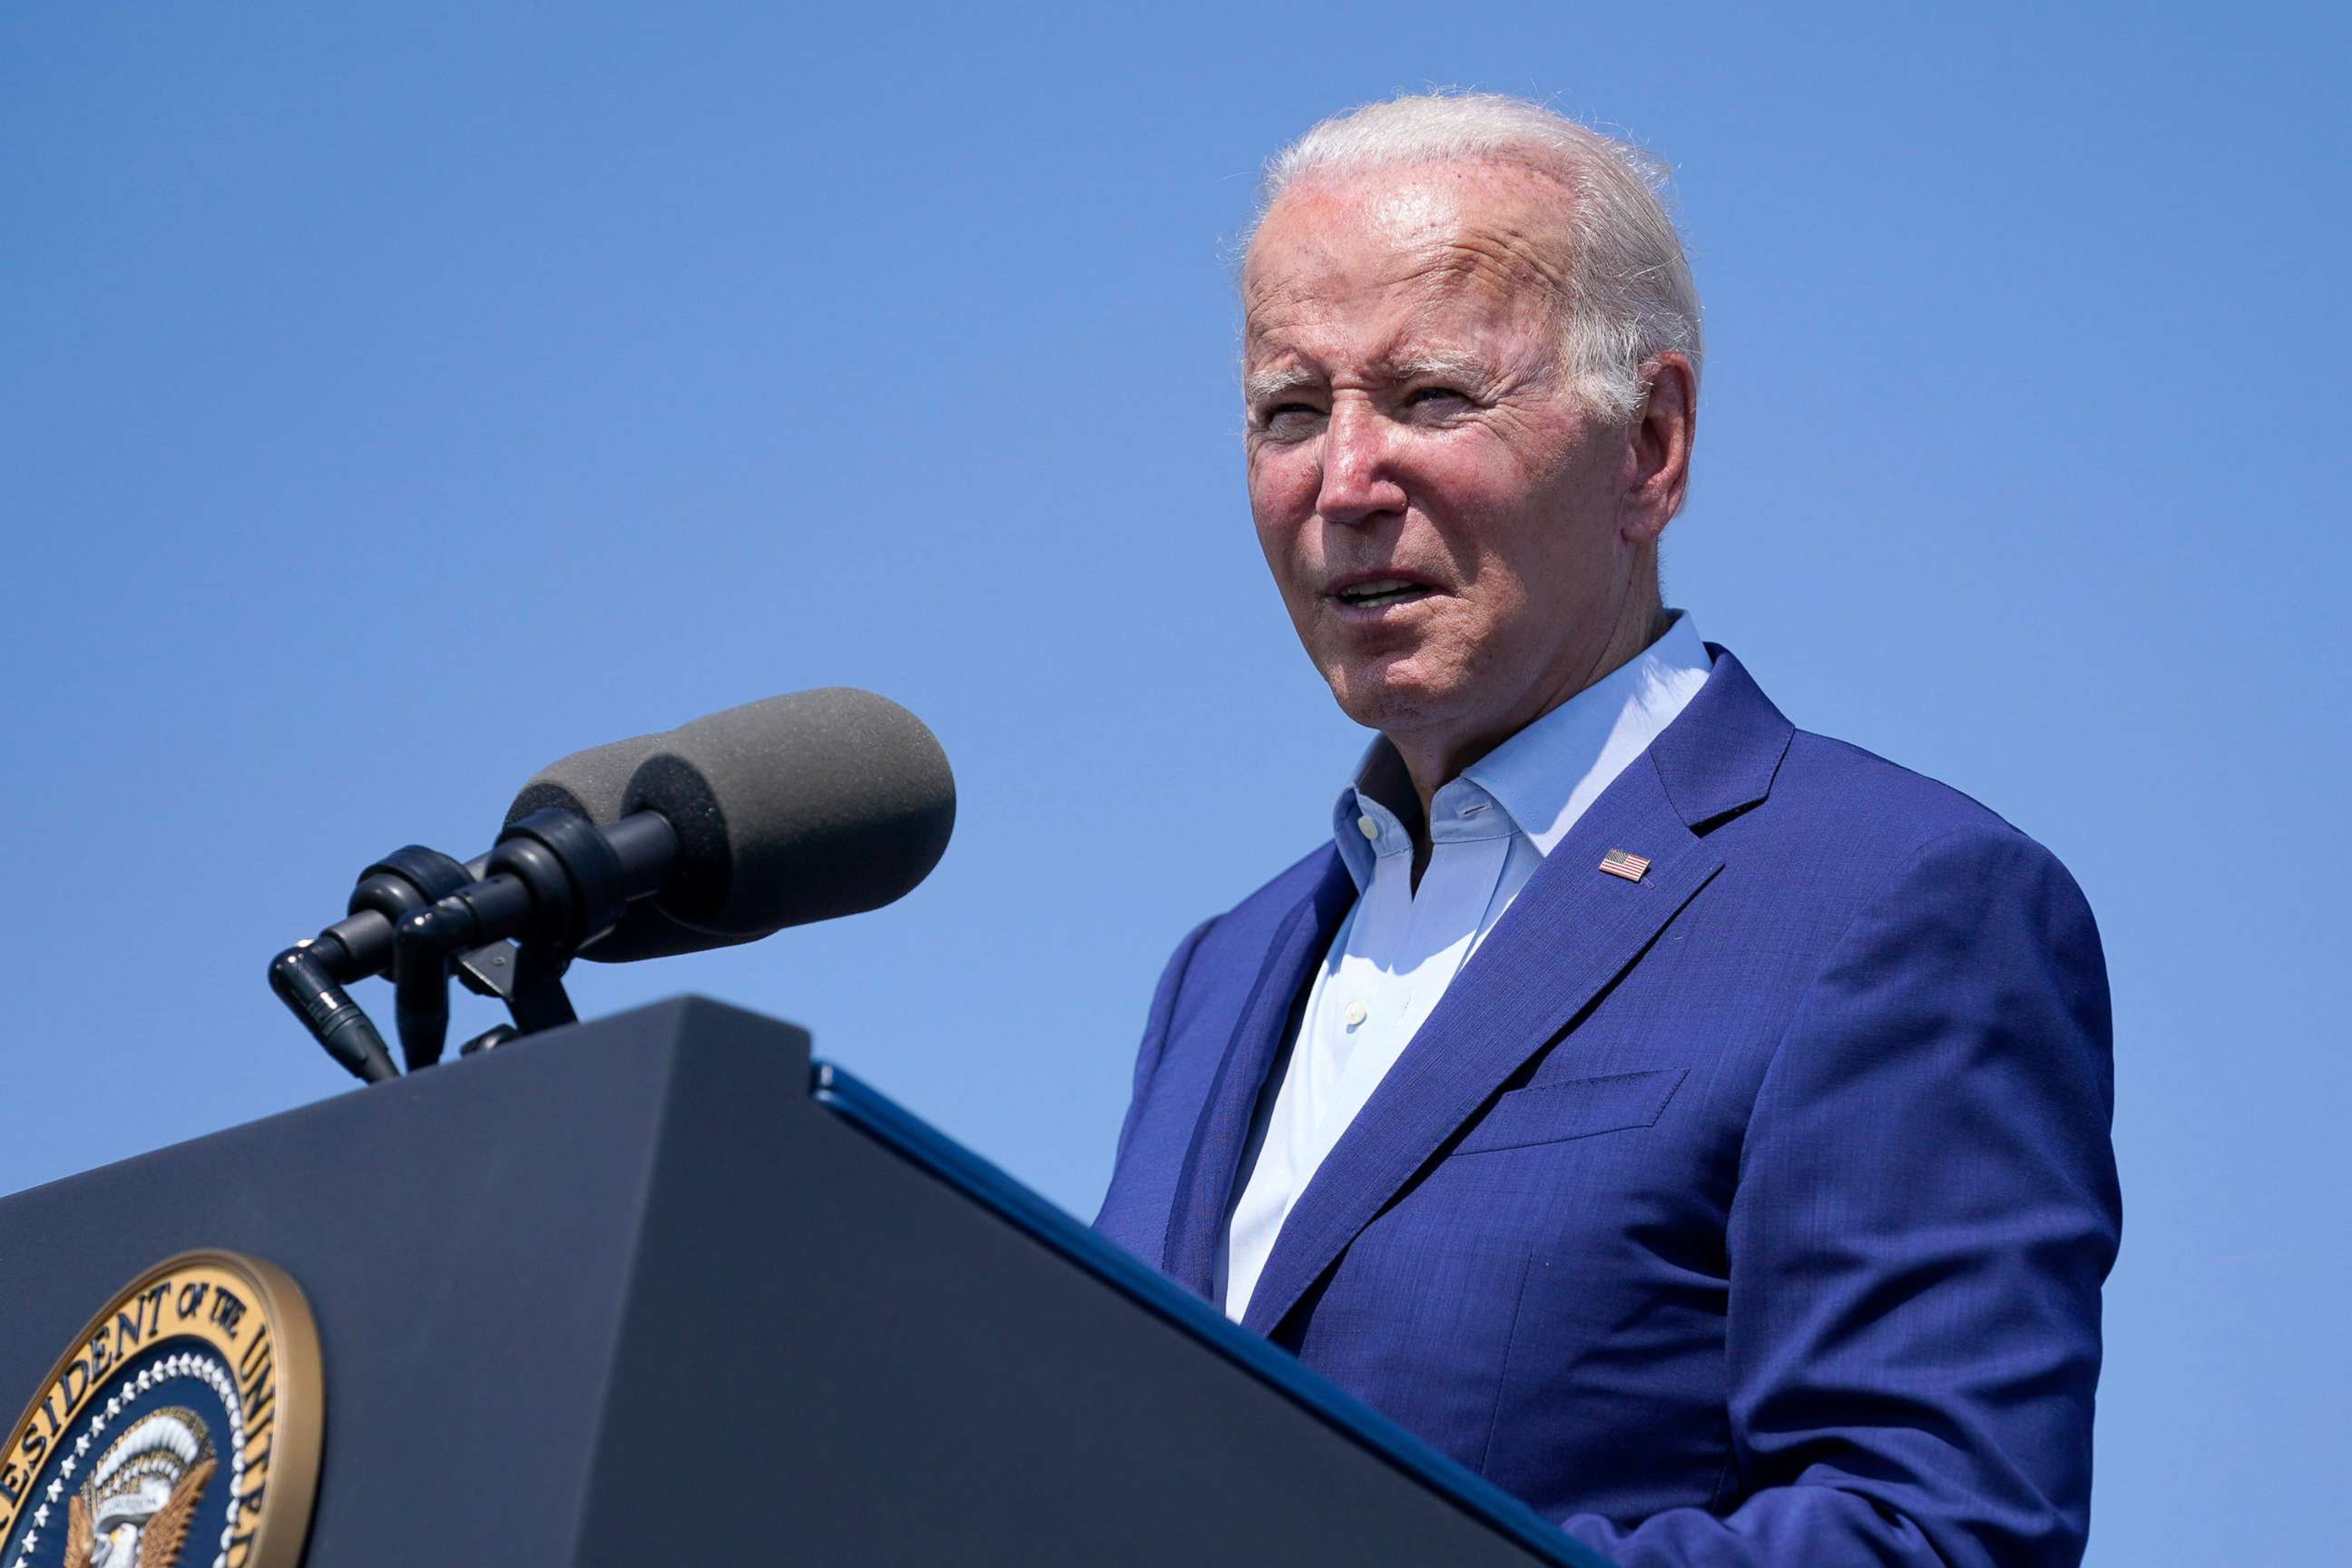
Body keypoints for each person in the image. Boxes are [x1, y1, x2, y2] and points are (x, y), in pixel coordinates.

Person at [1093, 93, 2120, 1568]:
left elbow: (1932, 1535)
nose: (1344, 480)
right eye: (1290, 410)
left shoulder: (1896, 901)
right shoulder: (1223, 972)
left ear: (1649, 446)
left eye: (1433, 396)